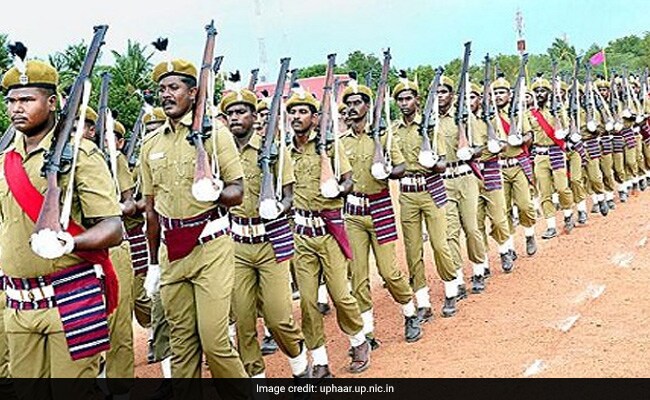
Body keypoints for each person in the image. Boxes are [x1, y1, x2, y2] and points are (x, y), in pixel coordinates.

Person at [0, 55, 123, 397]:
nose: (17, 108)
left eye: (27, 99)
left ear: (52, 102)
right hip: (20, 303)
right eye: (11, 100)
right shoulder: (5, 161)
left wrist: (70, 243)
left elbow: (113, 228)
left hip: (71, 297)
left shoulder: (81, 155)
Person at [139, 58, 249, 389]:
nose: (166, 94)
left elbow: (237, 191)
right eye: (162, 89)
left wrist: (215, 191)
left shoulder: (215, 136)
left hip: (210, 246)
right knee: (182, 345)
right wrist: (153, 264)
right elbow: (151, 211)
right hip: (171, 253)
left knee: (215, 342)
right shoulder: (151, 144)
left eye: (174, 87)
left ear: (192, 92)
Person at [221, 86, 309, 378]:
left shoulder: (273, 150)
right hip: (236, 244)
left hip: (270, 241)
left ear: (253, 116)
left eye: (241, 112)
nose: (235, 117)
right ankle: (255, 378)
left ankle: (300, 366)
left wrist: (279, 207)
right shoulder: (220, 154)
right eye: (230, 113)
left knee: (278, 317)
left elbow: (289, 195)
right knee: (243, 320)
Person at [288, 88, 370, 377]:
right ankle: (320, 360)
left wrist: (338, 189)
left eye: (303, 112)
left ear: (314, 118)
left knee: (340, 294)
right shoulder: (284, 153)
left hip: (329, 232)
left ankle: (358, 340)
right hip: (301, 235)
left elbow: (349, 181)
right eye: (292, 112)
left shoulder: (331, 147)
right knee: (308, 302)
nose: (296, 116)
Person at [340, 79, 422, 345]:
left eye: (357, 103)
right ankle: (367, 332)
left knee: (389, 272)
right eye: (348, 104)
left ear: (367, 106)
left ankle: (410, 312)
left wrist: (387, 171)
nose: (352, 108)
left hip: (380, 207)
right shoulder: (340, 143)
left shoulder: (383, 136)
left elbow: (401, 167)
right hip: (353, 213)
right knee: (358, 276)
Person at [393, 76, 459, 321]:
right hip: (407, 194)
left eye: (408, 98)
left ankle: (451, 290)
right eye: (400, 99)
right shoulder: (393, 131)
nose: (404, 103)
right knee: (413, 250)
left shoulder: (431, 126)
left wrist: (432, 161)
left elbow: (442, 163)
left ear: (417, 100)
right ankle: (422, 301)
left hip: (431, 189)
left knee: (440, 245)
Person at [437, 75, 488, 294]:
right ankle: (457, 278)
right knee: (450, 232)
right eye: (436, 93)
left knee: (471, 227)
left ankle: (478, 270)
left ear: (452, 95)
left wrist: (470, 151)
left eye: (443, 92)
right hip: (443, 180)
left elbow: (480, 147)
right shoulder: (430, 122)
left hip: (465, 176)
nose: (440, 96)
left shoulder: (465, 117)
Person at [468, 82, 515, 277]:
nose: (469, 101)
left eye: (472, 97)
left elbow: (504, 144)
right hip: (470, 173)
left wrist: (494, 143)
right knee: (476, 222)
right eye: (465, 98)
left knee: (497, 217)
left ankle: (504, 249)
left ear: (480, 99)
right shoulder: (459, 121)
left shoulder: (491, 117)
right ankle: (483, 262)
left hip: (490, 168)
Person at [491, 74, 538, 256]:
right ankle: (509, 247)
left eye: (502, 92)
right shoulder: (488, 116)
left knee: (525, 205)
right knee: (504, 209)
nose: (498, 96)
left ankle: (529, 234)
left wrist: (520, 140)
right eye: (495, 93)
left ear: (509, 95)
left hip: (518, 164)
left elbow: (529, 135)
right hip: (498, 167)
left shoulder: (518, 113)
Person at [529, 76, 575, 238]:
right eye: (537, 91)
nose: (540, 94)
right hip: (540, 155)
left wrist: (557, 116)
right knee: (545, 192)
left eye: (543, 91)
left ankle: (568, 213)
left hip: (556, 151)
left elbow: (566, 129)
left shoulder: (558, 109)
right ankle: (550, 225)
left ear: (549, 93)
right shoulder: (530, 114)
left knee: (562, 188)